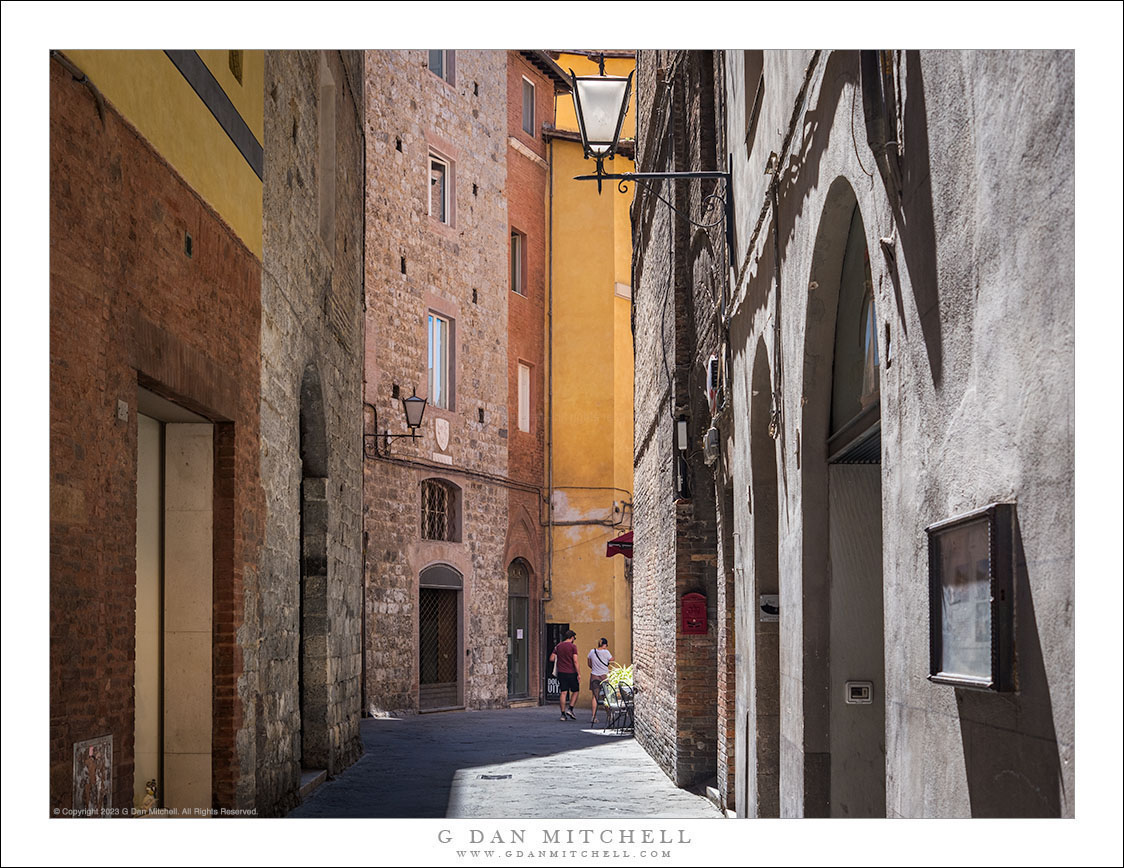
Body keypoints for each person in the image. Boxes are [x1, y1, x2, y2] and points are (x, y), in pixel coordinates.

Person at [549, 630, 580, 720]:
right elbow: (575, 661)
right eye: (574, 637)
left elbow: (551, 658)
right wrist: (579, 673)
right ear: (571, 637)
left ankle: (562, 714)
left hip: (561, 673)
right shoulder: (573, 647)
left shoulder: (558, 646)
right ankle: (570, 708)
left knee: (563, 692)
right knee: (575, 690)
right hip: (571, 672)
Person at [587, 638, 614, 725]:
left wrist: (595, 667)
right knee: (606, 696)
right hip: (604, 677)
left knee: (595, 696)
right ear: (605, 645)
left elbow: (589, 663)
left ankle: (593, 716)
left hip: (594, 676)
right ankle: (609, 715)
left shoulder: (592, 651)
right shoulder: (606, 652)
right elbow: (612, 659)